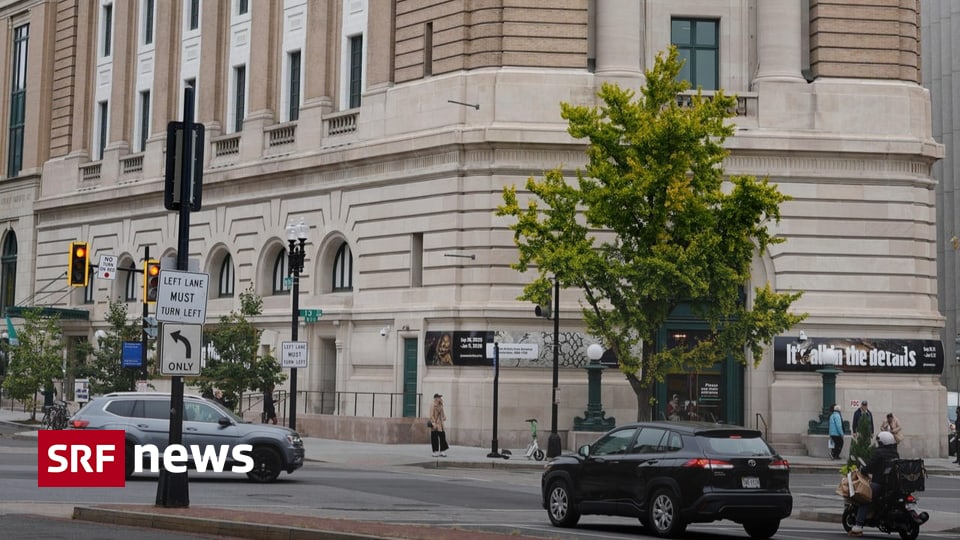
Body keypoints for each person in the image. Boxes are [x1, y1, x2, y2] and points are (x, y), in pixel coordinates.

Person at [849, 431, 900, 537]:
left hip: (880, 483)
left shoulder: (879, 452)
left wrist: (864, 470)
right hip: (893, 485)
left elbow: (871, 466)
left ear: (881, 442)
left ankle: (858, 526)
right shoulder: (895, 453)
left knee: (865, 498)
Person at [429, 393, 449, 457]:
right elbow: (431, 415)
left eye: (440, 397)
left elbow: (443, 413)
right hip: (435, 424)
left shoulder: (441, 405)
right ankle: (435, 451)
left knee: (442, 437)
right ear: (436, 398)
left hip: (441, 424)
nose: (440, 399)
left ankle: (442, 451)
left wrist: (444, 417)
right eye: (439, 397)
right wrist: (433, 423)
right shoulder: (432, 405)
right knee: (434, 438)